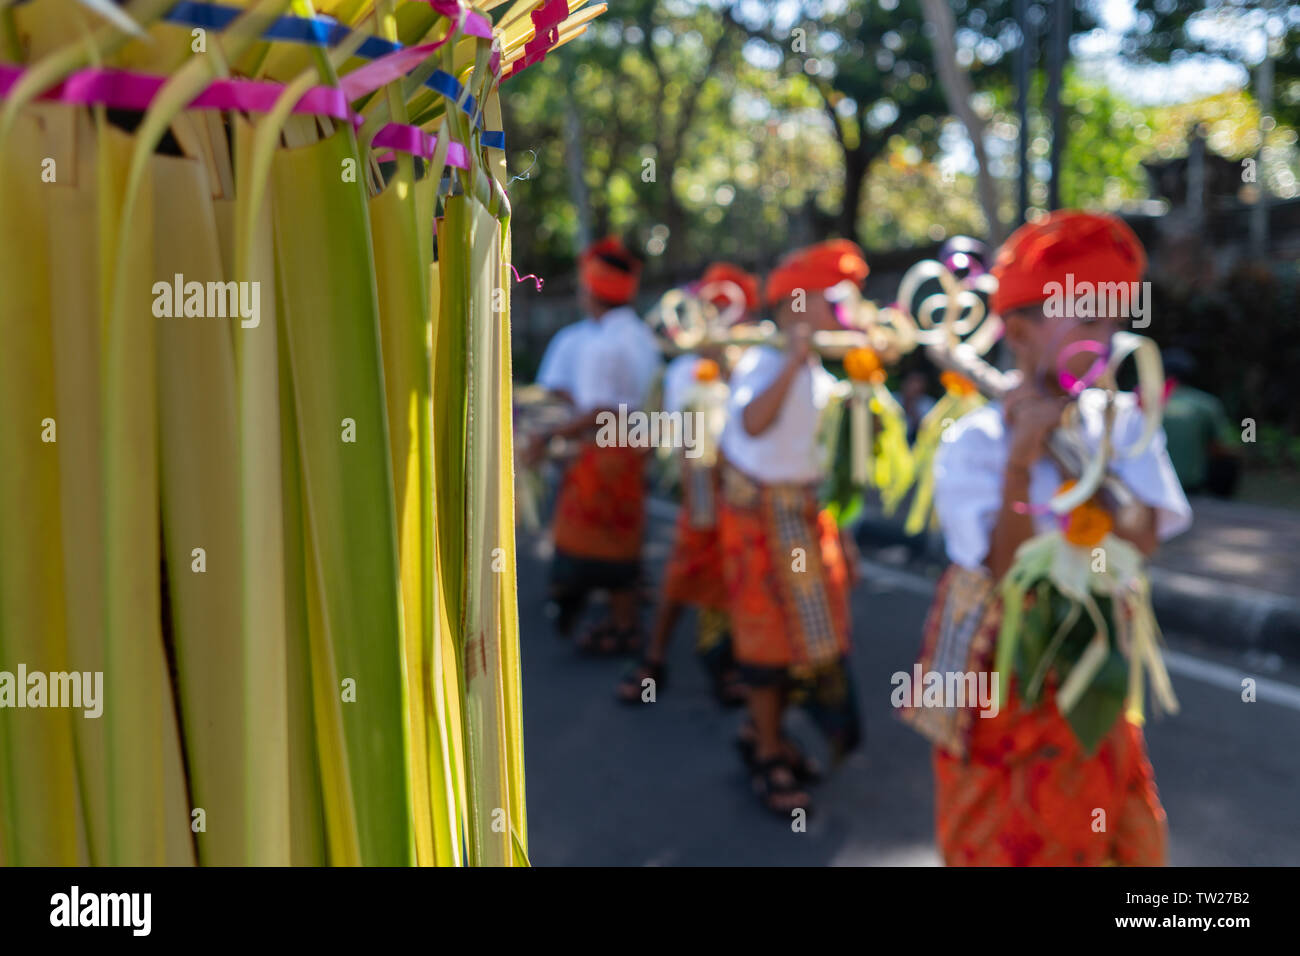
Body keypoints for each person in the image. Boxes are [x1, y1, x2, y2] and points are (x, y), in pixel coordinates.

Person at [903, 210, 1192, 865]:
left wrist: (1066, 456)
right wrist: (1018, 456)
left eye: (1113, 321)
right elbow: (1003, 569)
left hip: (1092, 648)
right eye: (1086, 319)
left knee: (1106, 818)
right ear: (1019, 334)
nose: (1107, 336)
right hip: (995, 652)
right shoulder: (973, 439)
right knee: (999, 825)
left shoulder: (1122, 424)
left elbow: (1142, 537)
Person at [717, 240, 866, 816]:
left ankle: (766, 736)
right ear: (798, 305)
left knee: (805, 642)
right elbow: (753, 425)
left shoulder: (822, 372)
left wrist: (845, 533)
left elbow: (822, 461)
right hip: (759, 526)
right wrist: (794, 360)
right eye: (834, 302)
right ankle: (770, 749)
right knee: (765, 643)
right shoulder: (761, 360)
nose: (843, 315)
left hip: (803, 520)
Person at [617, 263, 760, 707]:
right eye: (712, 312)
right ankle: (654, 660)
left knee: (737, 581)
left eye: (728, 314)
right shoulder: (683, 373)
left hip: (747, 495)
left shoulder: (755, 367)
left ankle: (725, 664)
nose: (720, 324)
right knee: (683, 577)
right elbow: (687, 444)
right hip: (702, 492)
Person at [528, 237, 662, 652]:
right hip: (631, 453)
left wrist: (550, 437)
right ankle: (622, 625)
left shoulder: (604, 344)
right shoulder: (641, 335)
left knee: (595, 548)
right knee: (619, 544)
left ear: (591, 290)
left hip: (606, 458)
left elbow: (602, 411)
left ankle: (620, 627)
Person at [1160, 347, 1237, 497]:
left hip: (1152, 482)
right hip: (1190, 484)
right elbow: (1221, 447)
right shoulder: (1206, 404)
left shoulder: (1142, 401)